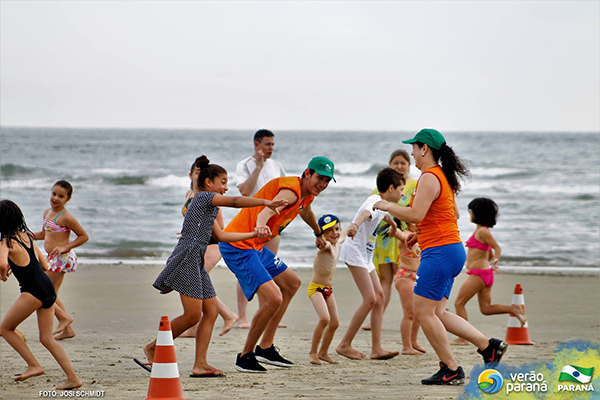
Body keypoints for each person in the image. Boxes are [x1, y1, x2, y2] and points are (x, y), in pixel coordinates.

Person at [374, 128, 508, 385]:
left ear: (424, 149)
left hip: (440, 253)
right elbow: (451, 214)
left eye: (414, 148)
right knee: (438, 312)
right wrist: (420, 234)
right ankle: (487, 346)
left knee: (422, 312)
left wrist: (388, 205)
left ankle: (451, 368)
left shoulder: (429, 177)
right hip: (449, 249)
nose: (412, 153)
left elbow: (414, 215)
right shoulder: (441, 177)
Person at [139, 156, 287, 377]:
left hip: (196, 259)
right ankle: (153, 347)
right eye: (223, 182)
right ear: (209, 183)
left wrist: (253, 234)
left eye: (227, 183)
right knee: (192, 316)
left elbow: (221, 235)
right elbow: (236, 202)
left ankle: (200, 365)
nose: (226, 187)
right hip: (187, 256)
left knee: (211, 312)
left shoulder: (211, 207)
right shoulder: (203, 198)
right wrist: (265, 202)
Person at [219, 156, 335, 373]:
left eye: (328, 180)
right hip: (239, 245)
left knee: (292, 283)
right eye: (320, 178)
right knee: (273, 298)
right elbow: (268, 210)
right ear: (307, 173)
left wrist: (318, 233)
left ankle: (265, 347)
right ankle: (245, 356)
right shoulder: (291, 192)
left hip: (254, 246)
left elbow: (306, 211)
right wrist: (261, 225)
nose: (323, 184)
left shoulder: (306, 194)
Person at [0, 200, 82, 390]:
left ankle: (34, 365)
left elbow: (2, 264)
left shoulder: (6, 242)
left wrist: (4, 275)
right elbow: (44, 265)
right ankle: (73, 378)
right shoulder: (27, 237)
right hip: (47, 287)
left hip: (32, 292)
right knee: (47, 338)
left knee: (5, 329)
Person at [335, 167, 403, 361]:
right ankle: (344, 344)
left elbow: (386, 215)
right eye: (401, 189)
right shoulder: (374, 201)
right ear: (391, 188)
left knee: (379, 296)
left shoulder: (383, 203)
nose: (402, 193)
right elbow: (366, 213)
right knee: (370, 299)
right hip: (355, 252)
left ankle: (376, 349)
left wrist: (393, 225)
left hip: (366, 256)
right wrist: (355, 225)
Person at [450, 197, 526, 345]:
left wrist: (495, 260)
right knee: (486, 308)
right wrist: (489, 259)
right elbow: (488, 251)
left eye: (470, 211)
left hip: (478, 274)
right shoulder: (481, 231)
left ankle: (463, 337)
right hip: (485, 274)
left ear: (477, 213)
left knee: (459, 303)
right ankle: (513, 308)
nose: (469, 214)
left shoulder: (482, 231)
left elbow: (496, 248)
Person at [180, 157, 238, 338]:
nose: (198, 176)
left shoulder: (211, 198)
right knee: (195, 283)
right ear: (191, 175)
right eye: (196, 173)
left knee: (197, 280)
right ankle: (202, 322)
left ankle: (227, 315)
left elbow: (218, 225)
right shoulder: (190, 195)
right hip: (195, 243)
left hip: (212, 243)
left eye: (201, 173)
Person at [235, 129, 287, 329]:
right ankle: (242, 317)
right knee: (247, 268)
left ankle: (266, 314)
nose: (271, 148)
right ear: (257, 145)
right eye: (267, 144)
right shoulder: (244, 165)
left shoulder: (277, 165)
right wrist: (258, 167)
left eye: (273, 144)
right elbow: (245, 191)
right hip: (249, 223)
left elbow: (284, 191)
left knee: (267, 268)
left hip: (272, 223)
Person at [363, 149, 418, 331]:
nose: (399, 166)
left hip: (403, 239)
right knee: (384, 280)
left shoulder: (415, 185)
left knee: (404, 279)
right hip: (383, 239)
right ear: (390, 165)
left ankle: (409, 319)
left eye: (403, 163)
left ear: (409, 165)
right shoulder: (382, 187)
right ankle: (376, 319)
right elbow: (372, 208)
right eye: (395, 163)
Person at [32, 180, 89, 340]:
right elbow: (44, 235)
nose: (56, 198)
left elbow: (84, 236)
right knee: (53, 294)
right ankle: (68, 329)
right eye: (54, 194)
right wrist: (26, 235)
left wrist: (66, 247)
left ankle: (64, 319)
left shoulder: (67, 217)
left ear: (68, 199)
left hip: (62, 258)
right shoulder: (47, 212)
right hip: (51, 258)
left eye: (61, 196)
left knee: (41, 288)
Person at [308, 214, 344, 365]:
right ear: (322, 235)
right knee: (325, 319)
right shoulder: (326, 246)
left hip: (328, 290)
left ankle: (323, 352)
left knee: (335, 323)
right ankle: (313, 353)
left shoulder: (337, 242)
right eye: (329, 231)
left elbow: (345, 234)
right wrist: (321, 241)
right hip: (315, 289)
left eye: (337, 229)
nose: (334, 233)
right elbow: (324, 244)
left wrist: (354, 228)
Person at [393, 222, 426, 355]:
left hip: (417, 276)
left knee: (418, 312)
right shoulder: (405, 235)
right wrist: (391, 225)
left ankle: (413, 342)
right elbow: (398, 233)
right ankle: (406, 347)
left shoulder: (420, 236)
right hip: (405, 276)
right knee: (409, 313)